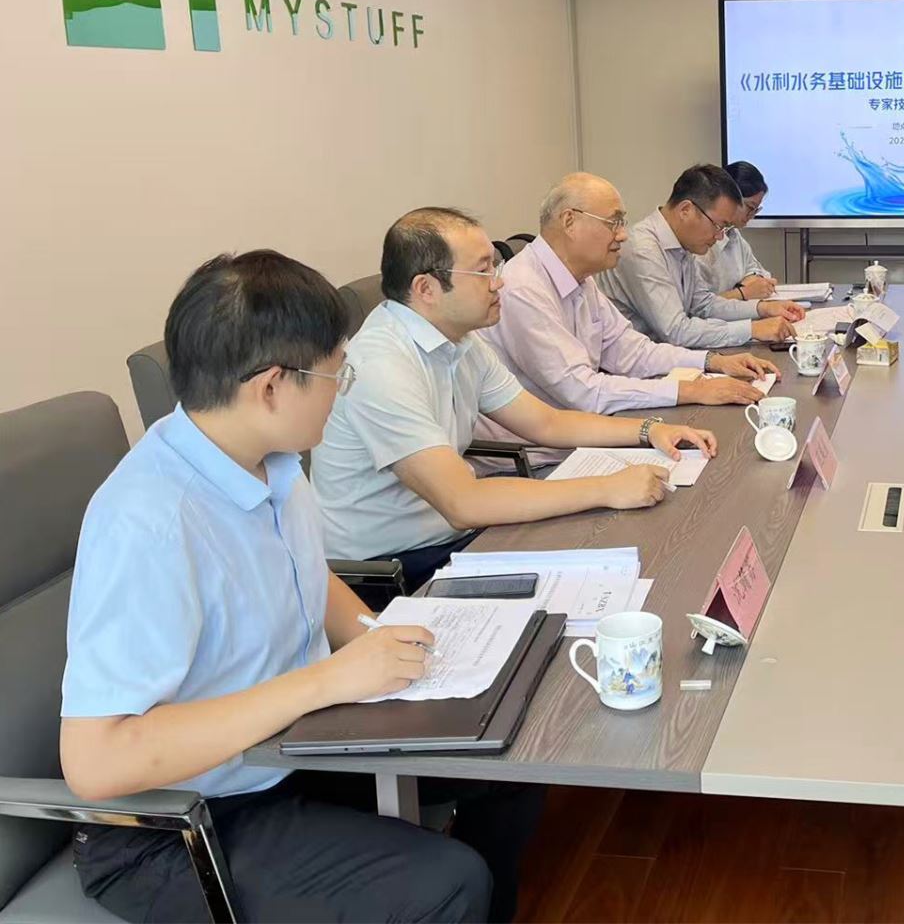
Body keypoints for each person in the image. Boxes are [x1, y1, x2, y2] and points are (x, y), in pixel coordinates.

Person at [61, 251, 540, 922]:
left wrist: (381, 641)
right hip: (179, 822)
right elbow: (97, 761)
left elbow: (310, 577)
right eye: (336, 373)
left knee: (508, 763)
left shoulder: (270, 462)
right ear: (270, 388)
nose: (342, 389)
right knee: (447, 884)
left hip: (290, 746)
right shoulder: (149, 522)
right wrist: (328, 680)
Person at [312, 207, 716, 586]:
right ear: (426, 288)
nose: (498, 281)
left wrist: (648, 430)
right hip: (396, 567)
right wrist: (607, 488)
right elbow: (463, 503)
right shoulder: (381, 365)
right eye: (482, 270)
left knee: (623, 546)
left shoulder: (460, 341)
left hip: (457, 533)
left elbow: (545, 423)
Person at [477, 174, 780, 450]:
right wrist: (692, 390)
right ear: (570, 221)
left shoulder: (581, 280)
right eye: (613, 223)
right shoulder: (523, 288)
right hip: (539, 459)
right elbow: (584, 391)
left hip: (585, 434)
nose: (623, 235)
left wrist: (713, 362)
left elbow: (633, 351)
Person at [597, 164, 806, 348]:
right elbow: (675, 331)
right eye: (718, 225)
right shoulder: (643, 250)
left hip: (662, 355)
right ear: (686, 210)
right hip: (633, 365)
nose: (720, 236)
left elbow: (704, 305)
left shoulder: (683, 244)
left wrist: (763, 308)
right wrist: (752, 329)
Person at [703, 160, 777, 301]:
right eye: (750, 207)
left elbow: (756, 269)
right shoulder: (701, 238)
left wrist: (753, 280)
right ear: (728, 199)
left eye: (756, 210)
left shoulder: (733, 233)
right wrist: (743, 292)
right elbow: (699, 305)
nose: (752, 216)